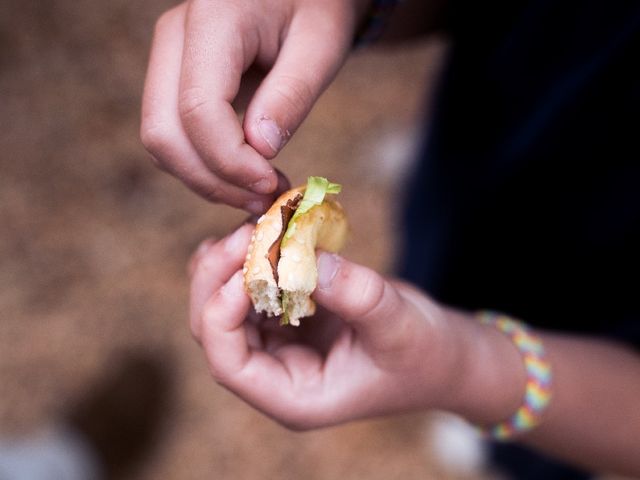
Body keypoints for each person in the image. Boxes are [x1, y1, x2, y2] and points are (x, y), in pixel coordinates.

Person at [140, 0, 640, 478]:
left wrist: (470, 370)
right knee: (435, 232)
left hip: (596, 330)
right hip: (496, 127)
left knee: (523, 439)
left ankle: (493, 441)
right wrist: (344, 8)